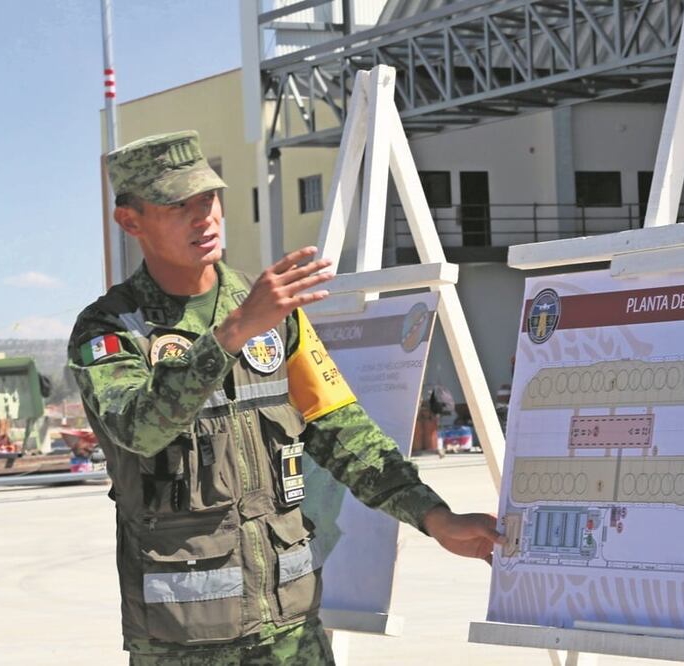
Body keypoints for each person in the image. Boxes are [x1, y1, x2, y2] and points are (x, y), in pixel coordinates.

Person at [68, 131, 502, 665]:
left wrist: (436, 518)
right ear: (130, 221)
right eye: (178, 206)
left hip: (292, 636)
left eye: (208, 199)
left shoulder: (277, 319)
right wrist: (230, 334)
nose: (203, 217)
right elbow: (139, 429)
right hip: (183, 645)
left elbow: (345, 434)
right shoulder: (112, 330)